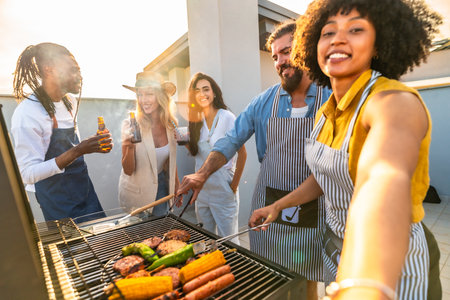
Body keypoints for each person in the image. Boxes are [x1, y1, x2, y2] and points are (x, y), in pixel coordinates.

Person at [249, 0, 442, 299]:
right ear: (312, 45)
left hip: (388, 269)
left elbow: (383, 180)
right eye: (328, 32)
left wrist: (361, 286)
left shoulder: (393, 102)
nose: (338, 39)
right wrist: (280, 205)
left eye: (355, 29)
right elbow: (326, 175)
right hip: (337, 254)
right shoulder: (328, 111)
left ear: (378, 44)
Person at [177, 21, 332, 298]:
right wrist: (202, 173)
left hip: (315, 204)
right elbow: (231, 140)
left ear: (306, 48)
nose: (280, 61)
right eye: (275, 56)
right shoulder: (263, 102)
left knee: (308, 277)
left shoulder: (330, 97)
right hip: (269, 203)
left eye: (287, 51)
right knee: (270, 274)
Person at [11, 42, 112, 222]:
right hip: (57, 201)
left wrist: (95, 144)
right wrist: (78, 150)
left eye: (79, 70)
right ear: (49, 70)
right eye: (73, 70)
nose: (79, 76)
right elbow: (27, 174)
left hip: (85, 191)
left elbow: (72, 147)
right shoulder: (27, 113)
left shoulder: (70, 102)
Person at [183, 72, 246, 244]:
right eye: (197, 91)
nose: (202, 94)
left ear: (214, 92)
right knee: (205, 238)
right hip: (201, 190)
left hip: (223, 188)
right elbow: (199, 154)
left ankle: (235, 269)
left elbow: (242, 153)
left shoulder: (226, 117)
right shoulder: (196, 121)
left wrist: (234, 185)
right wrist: (184, 142)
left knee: (229, 241)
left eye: (206, 89)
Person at [119, 71, 181, 217]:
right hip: (136, 194)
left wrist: (176, 187)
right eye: (140, 94)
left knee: (160, 234)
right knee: (138, 238)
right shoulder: (130, 125)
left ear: (161, 97)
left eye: (149, 94)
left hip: (162, 189)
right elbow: (128, 170)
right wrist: (128, 146)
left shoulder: (171, 125)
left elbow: (169, 161)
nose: (143, 100)